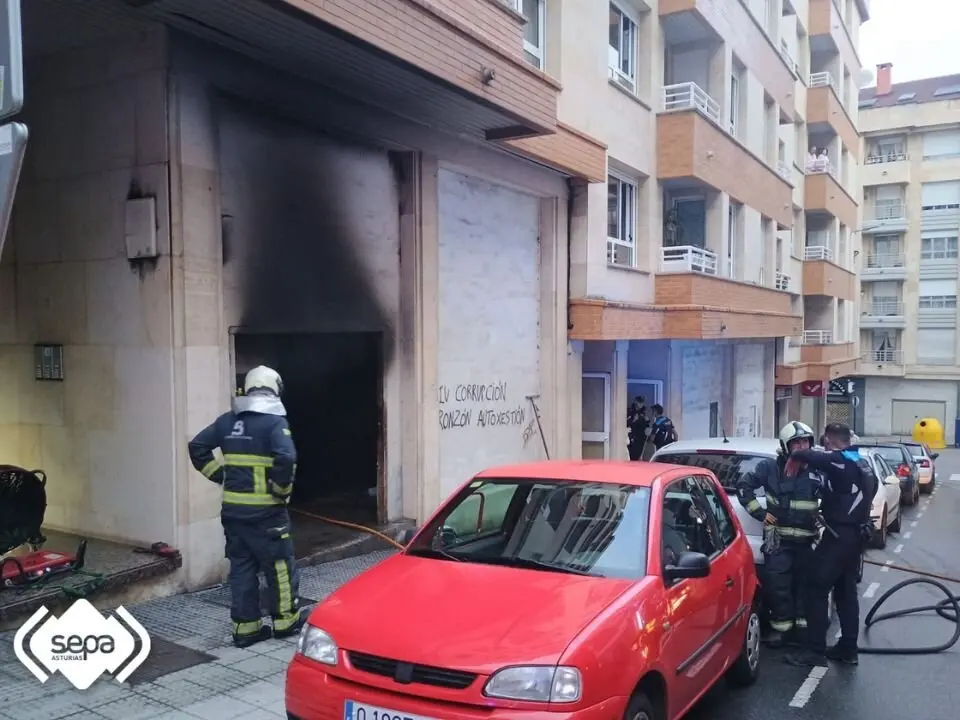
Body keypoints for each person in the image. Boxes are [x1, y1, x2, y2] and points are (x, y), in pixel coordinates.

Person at [188, 365, 302, 648]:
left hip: (233, 514)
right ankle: (285, 621)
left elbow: (197, 446)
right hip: (267, 514)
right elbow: (287, 457)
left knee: (241, 568)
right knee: (279, 567)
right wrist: (281, 491)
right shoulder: (274, 423)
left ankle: (245, 628)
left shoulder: (228, 421)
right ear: (274, 389)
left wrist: (220, 476)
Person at [784, 423, 877, 667]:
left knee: (814, 588)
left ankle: (815, 650)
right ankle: (848, 649)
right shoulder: (862, 462)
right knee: (846, 592)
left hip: (839, 537)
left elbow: (814, 457)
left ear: (829, 442)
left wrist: (795, 455)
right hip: (856, 536)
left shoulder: (840, 461)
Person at [737, 421, 821, 648]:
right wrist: (760, 513)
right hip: (778, 542)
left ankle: (803, 632)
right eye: (797, 443)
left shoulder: (818, 470)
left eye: (805, 442)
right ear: (786, 446)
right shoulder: (769, 468)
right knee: (778, 586)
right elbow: (744, 487)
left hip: (807, 541)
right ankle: (781, 630)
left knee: (805, 586)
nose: (802, 447)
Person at [627, 397, 649, 461]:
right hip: (633, 436)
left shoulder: (643, 412)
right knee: (632, 455)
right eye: (639, 402)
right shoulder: (630, 411)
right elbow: (625, 424)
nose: (641, 404)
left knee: (639, 455)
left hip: (641, 437)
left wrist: (647, 421)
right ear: (635, 402)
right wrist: (634, 420)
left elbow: (646, 425)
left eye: (642, 402)